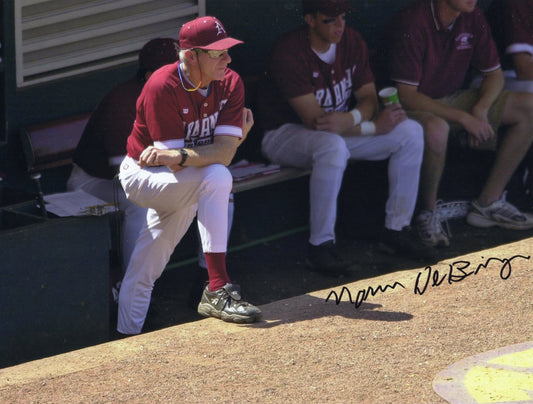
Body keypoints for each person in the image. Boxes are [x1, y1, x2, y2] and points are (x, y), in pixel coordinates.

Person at [258, 0, 427, 274]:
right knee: (332, 146)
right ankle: (320, 247)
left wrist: (353, 119)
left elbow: (369, 99)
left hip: (339, 129)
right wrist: (372, 127)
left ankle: (397, 230)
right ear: (311, 20)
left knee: (410, 132)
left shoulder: (351, 40)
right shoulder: (289, 50)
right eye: (331, 19)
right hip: (284, 134)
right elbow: (316, 122)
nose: (340, 25)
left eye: (343, 17)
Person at [117, 16, 261, 335]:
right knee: (218, 177)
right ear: (191, 55)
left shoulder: (231, 82)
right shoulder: (162, 84)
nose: (228, 58)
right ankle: (217, 287)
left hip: (185, 181)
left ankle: (123, 335)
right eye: (218, 52)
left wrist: (229, 142)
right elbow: (181, 164)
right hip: (146, 177)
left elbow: (223, 153)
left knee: (143, 270)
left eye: (227, 50)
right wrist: (191, 155)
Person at [386, 0, 533, 248]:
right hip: (409, 108)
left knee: (529, 107)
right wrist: (465, 118)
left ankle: (488, 202)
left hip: (453, 99)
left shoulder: (471, 14)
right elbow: (407, 95)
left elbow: (494, 74)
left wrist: (481, 109)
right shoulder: (415, 20)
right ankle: (428, 212)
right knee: (437, 128)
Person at [67, 38, 181, 275]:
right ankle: (134, 286)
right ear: (151, 76)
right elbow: (128, 176)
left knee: (215, 188)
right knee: (141, 204)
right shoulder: (123, 103)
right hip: (94, 182)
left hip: (155, 172)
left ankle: (207, 279)